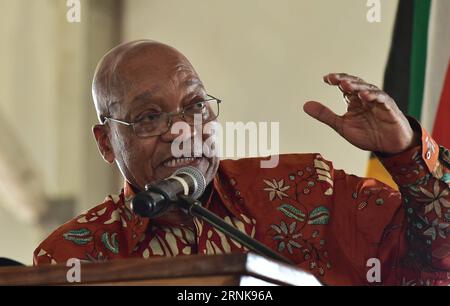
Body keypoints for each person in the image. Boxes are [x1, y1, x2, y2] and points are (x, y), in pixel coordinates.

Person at [33, 40, 450, 286]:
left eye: (195, 105)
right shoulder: (74, 256)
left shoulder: (309, 190)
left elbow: (434, 262)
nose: (183, 130)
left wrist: (405, 151)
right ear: (107, 143)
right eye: (148, 117)